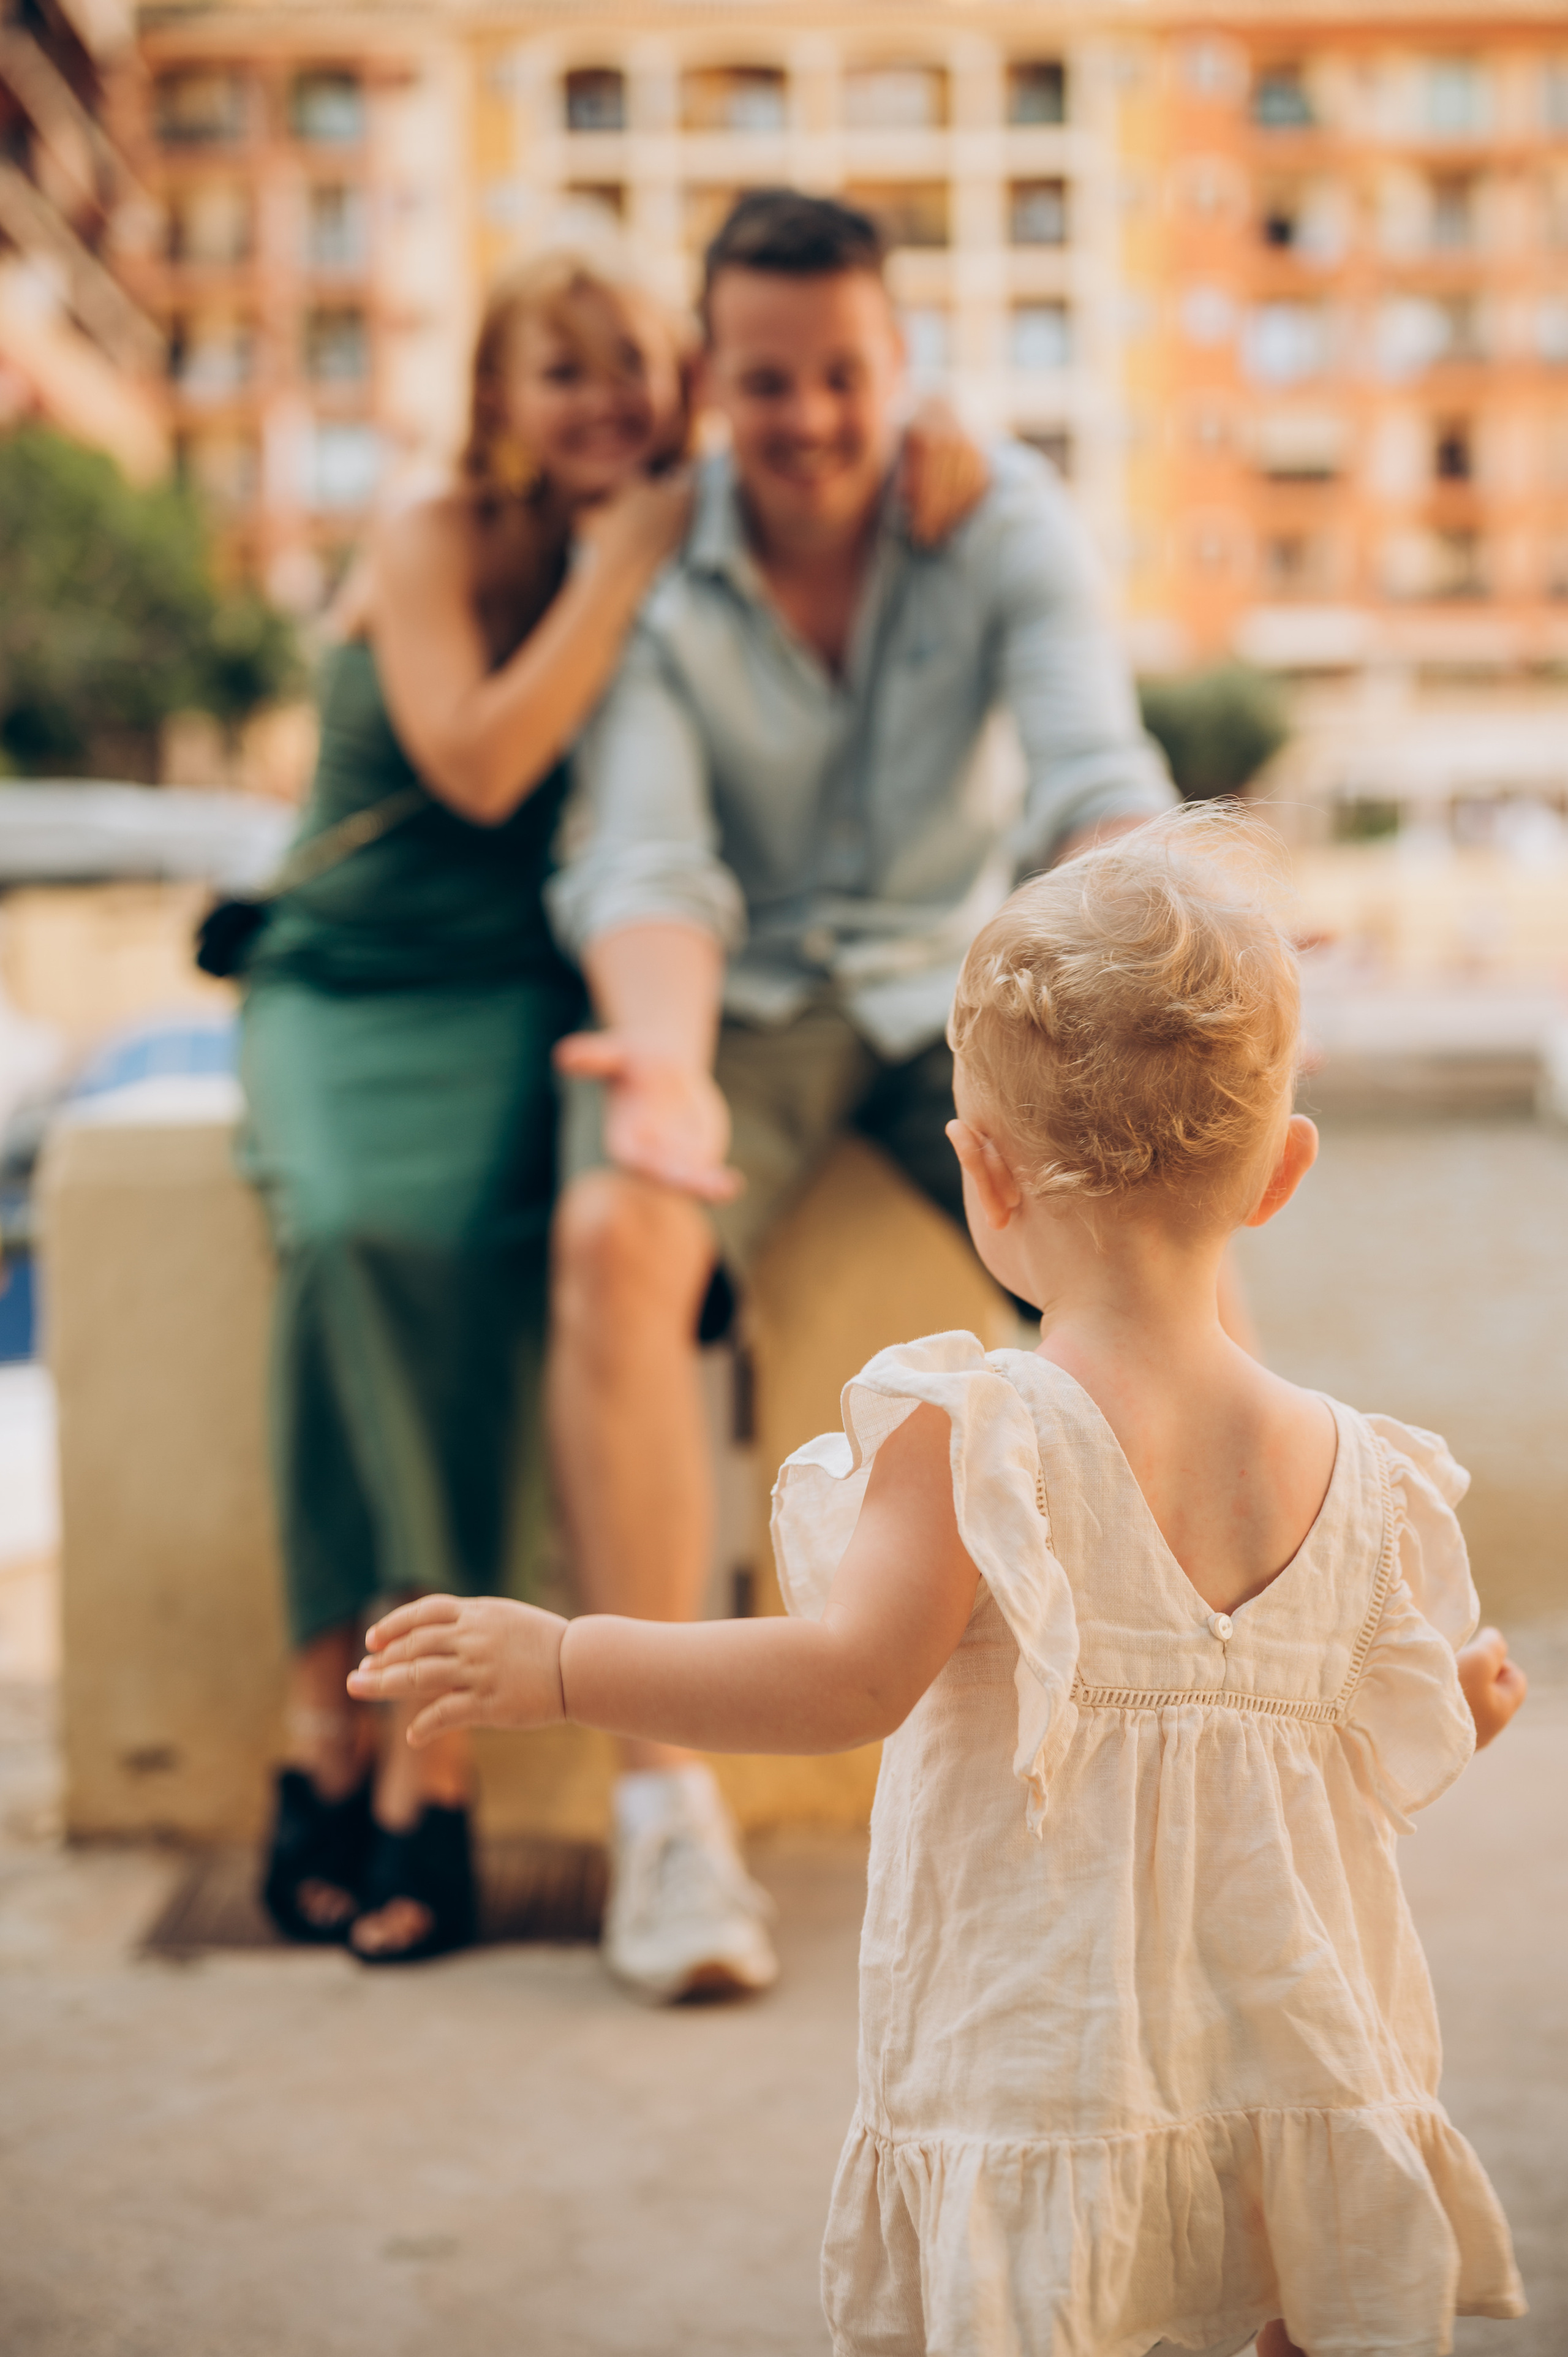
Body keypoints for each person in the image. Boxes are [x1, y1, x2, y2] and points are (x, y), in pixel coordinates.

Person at [350, 808, 1526, 2356]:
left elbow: (842, 1679)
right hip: (1296, 2062)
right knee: (1281, 2301)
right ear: (1279, 1171)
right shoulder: (1363, 1471)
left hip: (1050, 2074)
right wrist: (1457, 1703)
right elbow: (1361, 1741)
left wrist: (571, 1661)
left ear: (982, 1170)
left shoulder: (981, 1439)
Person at [239, 248, 989, 1965]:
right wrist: (623, 562)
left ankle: (422, 1769)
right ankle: (325, 1717)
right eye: (563, 371)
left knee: (491, 1256)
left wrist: (942, 437)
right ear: (496, 398)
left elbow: (853, 467)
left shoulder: (692, 536)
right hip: (355, 979)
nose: (609, 402)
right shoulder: (450, 537)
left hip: (525, 982)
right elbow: (487, 764)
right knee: (349, 1239)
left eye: (639, 369)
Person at [542, 187, 1179, 2002]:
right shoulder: (655, 568)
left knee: (1149, 1233)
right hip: (728, 1001)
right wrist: (661, 1072)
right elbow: (651, 863)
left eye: (843, 375)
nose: (809, 418)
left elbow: (1092, 776)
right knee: (612, 1240)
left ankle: (1163, 1760)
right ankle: (668, 1820)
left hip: (946, 983)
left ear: (899, 365)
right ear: (710, 381)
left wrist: (1166, 985)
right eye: (766, 383)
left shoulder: (1000, 515)